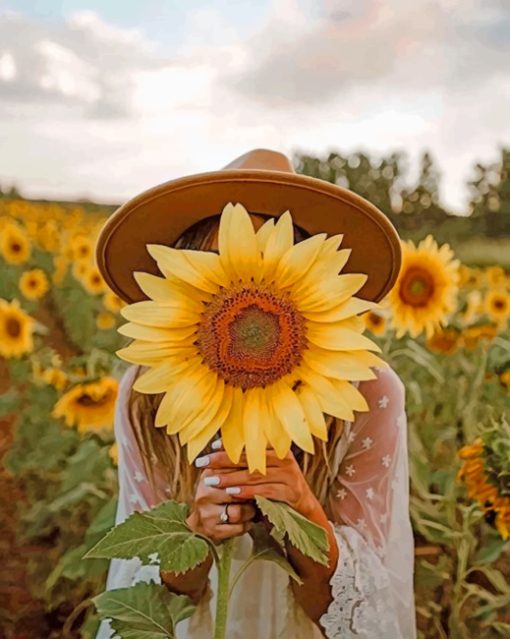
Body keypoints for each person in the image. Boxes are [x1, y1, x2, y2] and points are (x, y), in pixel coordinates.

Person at [94, 149, 417, 639]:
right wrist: (194, 535)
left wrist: (304, 514)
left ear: (312, 274)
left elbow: (359, 606)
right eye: (216, 264)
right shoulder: (148, 394)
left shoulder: (366, 391)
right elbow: (153, 598)